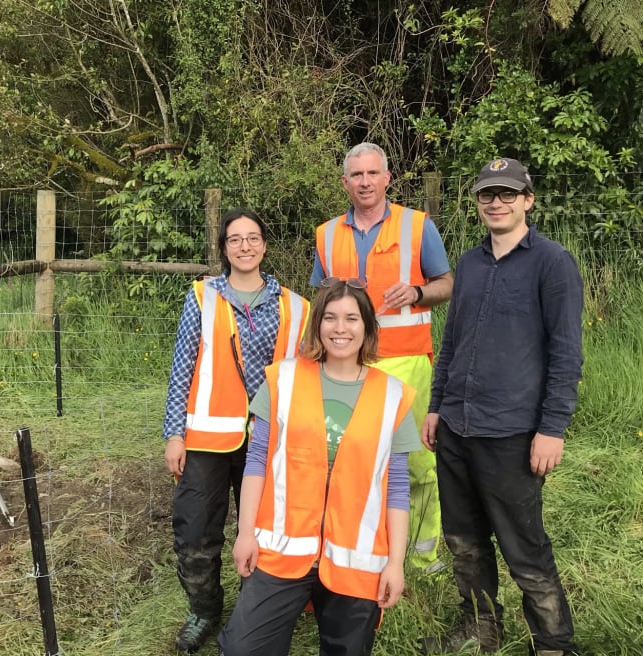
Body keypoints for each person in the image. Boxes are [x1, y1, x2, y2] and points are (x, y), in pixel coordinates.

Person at [420, 158, 583, 656]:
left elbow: (566, 353)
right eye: (487, 194)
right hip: (455, 428)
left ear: (528, 200)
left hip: (511, 433)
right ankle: (481, 626)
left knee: (524, 547)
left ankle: (553, 643)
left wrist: (551, 428)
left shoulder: (552, 263)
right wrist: (436, 407)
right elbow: (452, 342)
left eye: (507, 194)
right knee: (463, 541)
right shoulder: (468, 264)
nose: (496, 202)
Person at [216, 278, 418, 656]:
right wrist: (245, 533)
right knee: (242, 648)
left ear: (368, 327)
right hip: (280, 553)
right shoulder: (282, 380)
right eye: (330, 318)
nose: (340, 328)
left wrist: (395, 564)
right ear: (318, 325)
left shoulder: (393, 396)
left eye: (352, 319)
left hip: (355, 562)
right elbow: (257, 462)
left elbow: (397, 489)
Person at [163, 208, 311, 653]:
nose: (244, 246)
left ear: (264, 245)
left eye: (253, 238)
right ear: (224, 248)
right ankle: (204, 611)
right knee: (195, 531)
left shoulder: (296, 306)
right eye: (235, 239)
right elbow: (181, 368)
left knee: (264, 530)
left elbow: (305, 374)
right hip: (206, 438)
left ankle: (254, 611)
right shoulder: (202, 297)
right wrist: (174, 433)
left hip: (269, 439)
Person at [311, 142, 453, 572]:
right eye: (357, 175)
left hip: (406, 362)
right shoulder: (327, 233)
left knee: (417, 463)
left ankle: (423, 556)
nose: (365, 182)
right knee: (348, 461)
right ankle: (359, 549)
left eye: (373, 174)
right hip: (346, 366)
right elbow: (320, 293)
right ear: (345, 183)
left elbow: (447, 283)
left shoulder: (417, 226)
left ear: (387, 178)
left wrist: (417, 292)